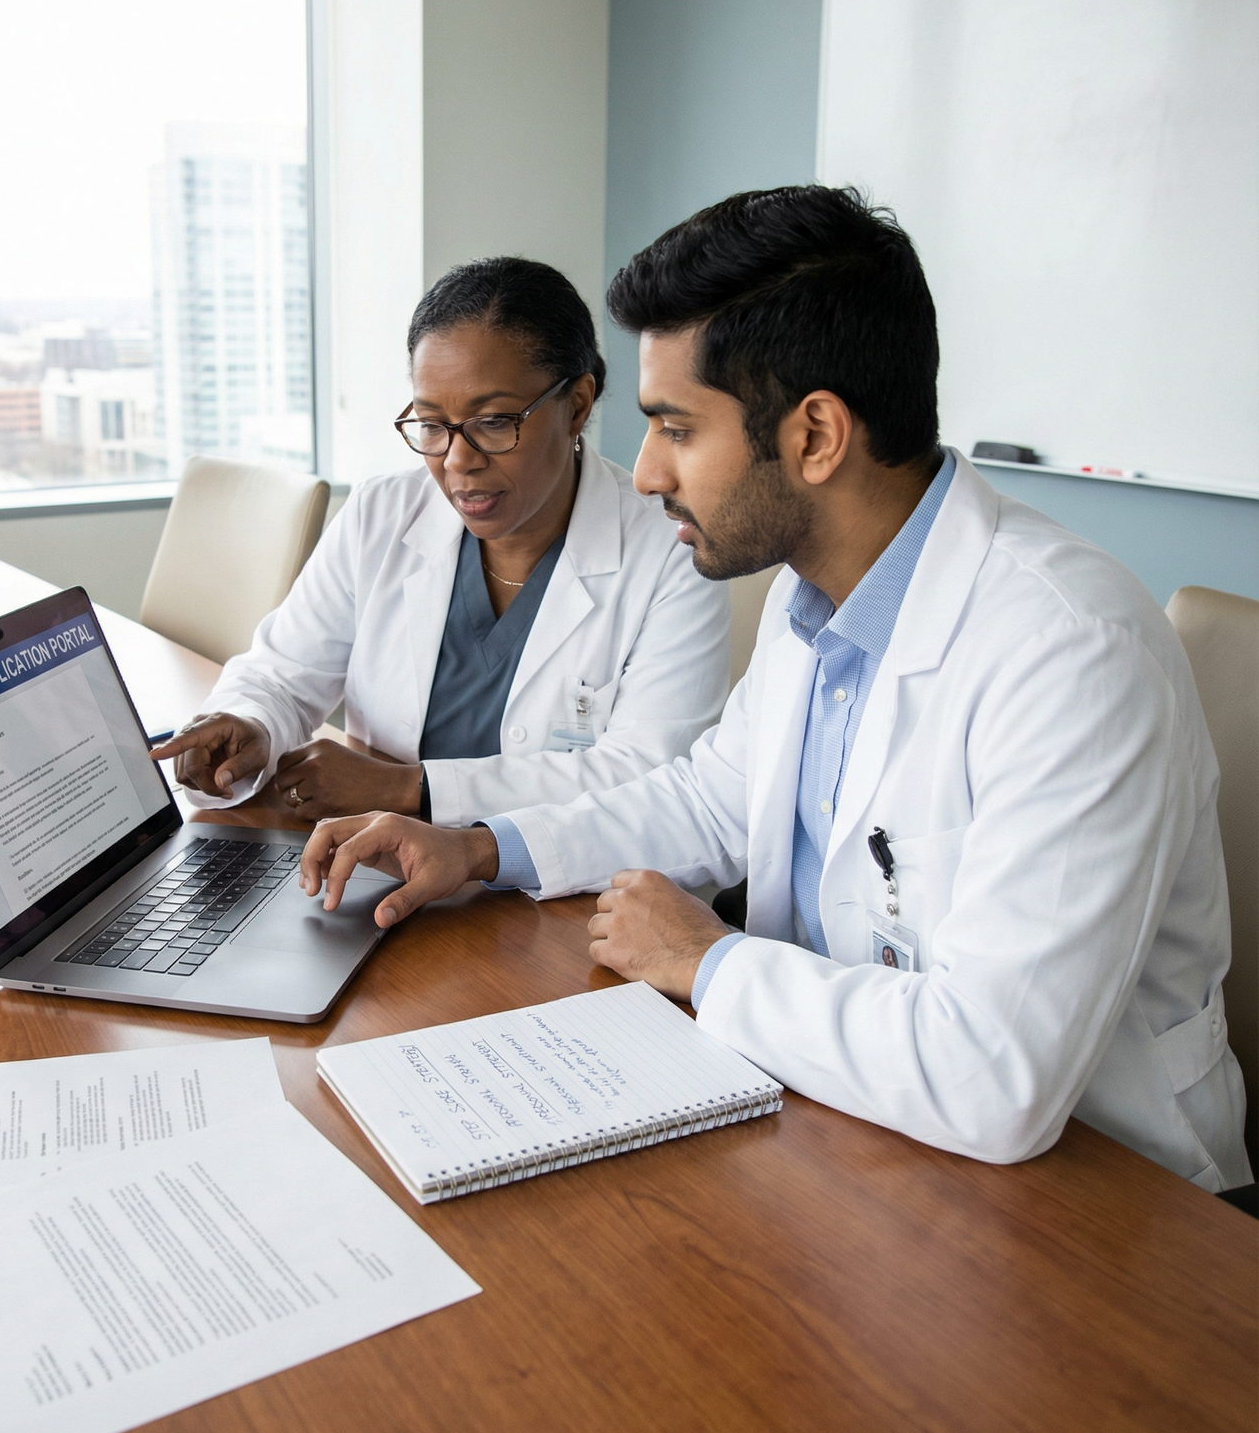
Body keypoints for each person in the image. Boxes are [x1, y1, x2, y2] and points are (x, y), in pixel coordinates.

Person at [296, 187, 1251, 1192]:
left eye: (675, 428)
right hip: (855, 1134)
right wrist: (480, 848)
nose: (649, 473)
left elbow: (994, 1075)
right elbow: (706, 797)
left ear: (814, 436)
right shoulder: (816, 604)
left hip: (1110, 1208)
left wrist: (706, 962)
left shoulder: (1069, 651)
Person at [151, 256, 732, 828]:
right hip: (372, 868)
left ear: (576, 405)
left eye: (494, 422)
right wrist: (249, 724)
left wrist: (410, 789)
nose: (458, 461)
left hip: (556, 895)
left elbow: (652, 779)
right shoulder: (382, 514)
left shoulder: (672, 551)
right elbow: (282, 673)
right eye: (431, 424)